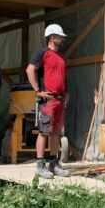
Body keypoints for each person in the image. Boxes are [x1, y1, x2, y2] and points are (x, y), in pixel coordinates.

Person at [26, 24, 71, 179]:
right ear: (52, 38)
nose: (63, 39)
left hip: (59, 100)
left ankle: (53, 164)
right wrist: (38, 91)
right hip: (48, 100)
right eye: (60, 37)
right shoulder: (43, 53)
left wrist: (66, 93)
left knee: (55, 133)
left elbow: (63, 78)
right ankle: (40, 166)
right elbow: (29, 69)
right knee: (44, 132)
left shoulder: (61, 57)